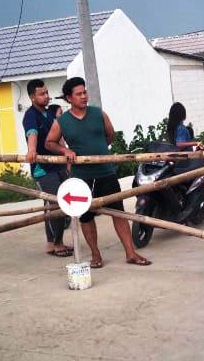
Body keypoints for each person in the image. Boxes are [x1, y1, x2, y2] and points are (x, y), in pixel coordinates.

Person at [46, 77, 151, 268]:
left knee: (118, 212)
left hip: (106, 172)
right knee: (86, 217)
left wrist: (99, 149)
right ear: (69, 98)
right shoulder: (62, 121)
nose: (84, 96)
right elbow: (49, 142)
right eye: (79, 94)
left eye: (84, 92)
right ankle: (96, 255)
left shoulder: (98, 114)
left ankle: (130, 252)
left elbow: (110, 135)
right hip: (82, 177)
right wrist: (65, 150)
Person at [23, 79, 72, 257]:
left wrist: (66, 157)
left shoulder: (50, 114)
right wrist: (32, 150)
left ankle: (52, 243)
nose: (46, 96)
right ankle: (58, 243)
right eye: (42, 94)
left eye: (46, 93)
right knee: (56, 203)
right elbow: (32, 133)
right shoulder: (30, 115)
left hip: (58, 164)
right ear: (32, 97)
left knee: (54, 204)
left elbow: (58, 138)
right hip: (43, 168)